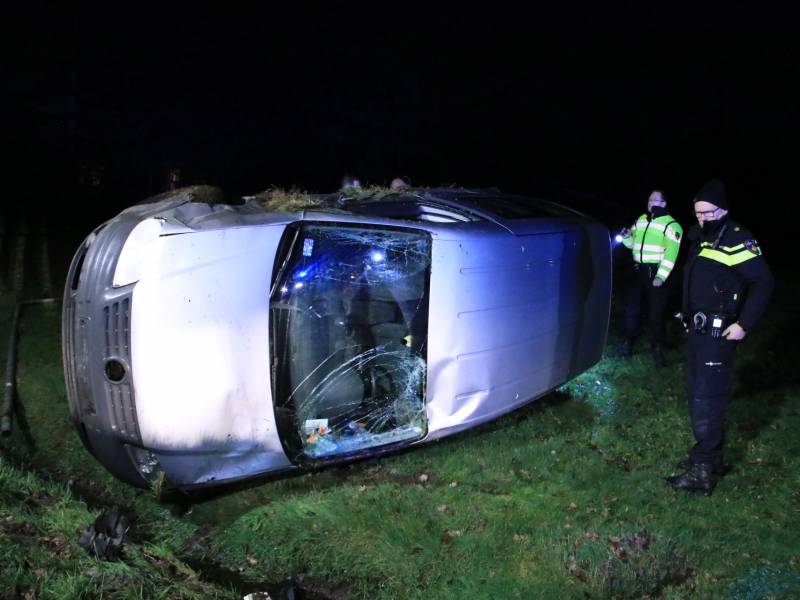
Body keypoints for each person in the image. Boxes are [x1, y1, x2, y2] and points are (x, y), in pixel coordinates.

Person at [666, 178, 774, 496]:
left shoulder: (736, 238)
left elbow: (764, 283)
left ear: (723, 210)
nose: (703, 218)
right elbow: (697, 284)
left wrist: (744, 324)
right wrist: (687, 316)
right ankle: (711, 459)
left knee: (707, 400)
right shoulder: (702, 238)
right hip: (700, 332)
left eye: (709, 213)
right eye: (698, 213)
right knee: (699, 396)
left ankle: (702, 472)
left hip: (720, 334)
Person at [613, 190, 683, 366]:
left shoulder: (672, 225)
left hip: (656, 272)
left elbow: (671, 254)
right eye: (649, 199)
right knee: (631, 310)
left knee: (656, 313)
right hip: (637, 271)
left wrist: (661, 276)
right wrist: (628, 237)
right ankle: (627, 345)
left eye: (656, 200)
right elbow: (632, 245)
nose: (651, 202)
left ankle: (658, 350)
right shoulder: (642, 219)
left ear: (664, 203)